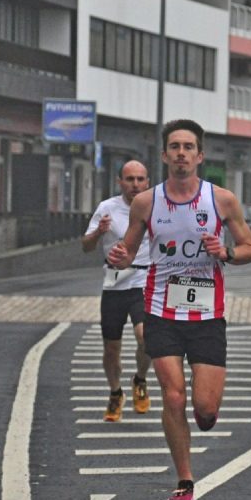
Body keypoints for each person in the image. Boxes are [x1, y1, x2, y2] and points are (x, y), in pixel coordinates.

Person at [107, 119, 251, 500]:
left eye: (188, 147)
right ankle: (184, 479)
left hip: (207, 313)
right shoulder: (146, 202)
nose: (181, 154)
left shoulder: (221, 200)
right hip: (161, 308)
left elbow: (250, 249)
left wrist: (225, 252)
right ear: (164, 156)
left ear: (199, 156)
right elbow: (127, 249)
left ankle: (203, 421)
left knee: (205, 411)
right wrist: (119, 256)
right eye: (174, 147)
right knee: (173, 395)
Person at [81, 160, 153, 422]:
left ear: (148, 182)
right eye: (130, 179)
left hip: (144, 280)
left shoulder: (156, 207)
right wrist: (99, 232)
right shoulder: (107, 208)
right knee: (111, 348)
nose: (135, 184)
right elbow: (86, 246)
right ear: (120, 182)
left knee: (146, 336)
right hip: (114, 283)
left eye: (140, 179)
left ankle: (140, 379)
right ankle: (115, 392)